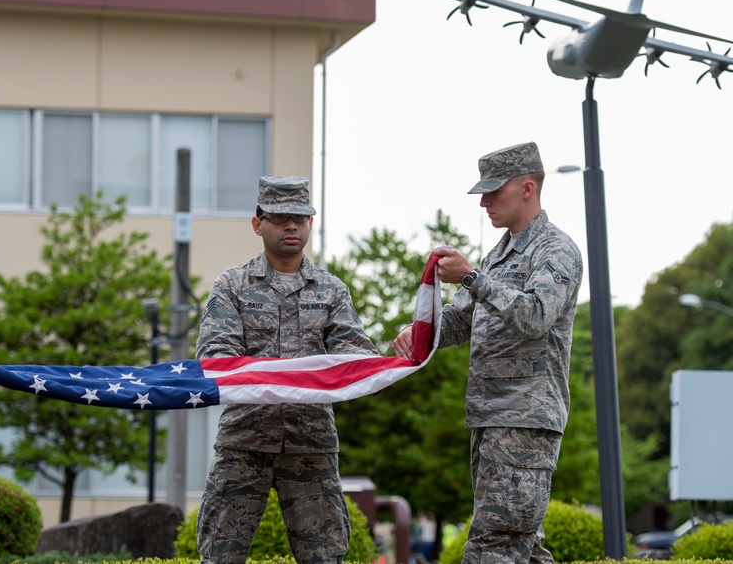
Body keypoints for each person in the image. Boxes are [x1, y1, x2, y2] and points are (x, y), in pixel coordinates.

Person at [393, 141, 583, 564]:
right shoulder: (498, 256)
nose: (484, 202)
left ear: (528, 187)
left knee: (494, 546)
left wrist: (472, 278)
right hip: (491, 419)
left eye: (494, 190)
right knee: (521, 548)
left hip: (524, 421)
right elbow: (461, 321)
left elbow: (536, 315)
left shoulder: (555, 250)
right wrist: (419, 332)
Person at [196, 175, 378, 564]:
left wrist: (390, 363)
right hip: (244, 442)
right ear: (258, 224)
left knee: (324, 557)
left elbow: (355, 354)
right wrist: (283, 375)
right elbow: (216, 356)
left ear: (311, 223)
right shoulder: (232, 286)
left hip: (310, 446)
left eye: (300, 217)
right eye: (280, 218)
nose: (291, 226)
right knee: (219, 555)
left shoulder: (332, 290)